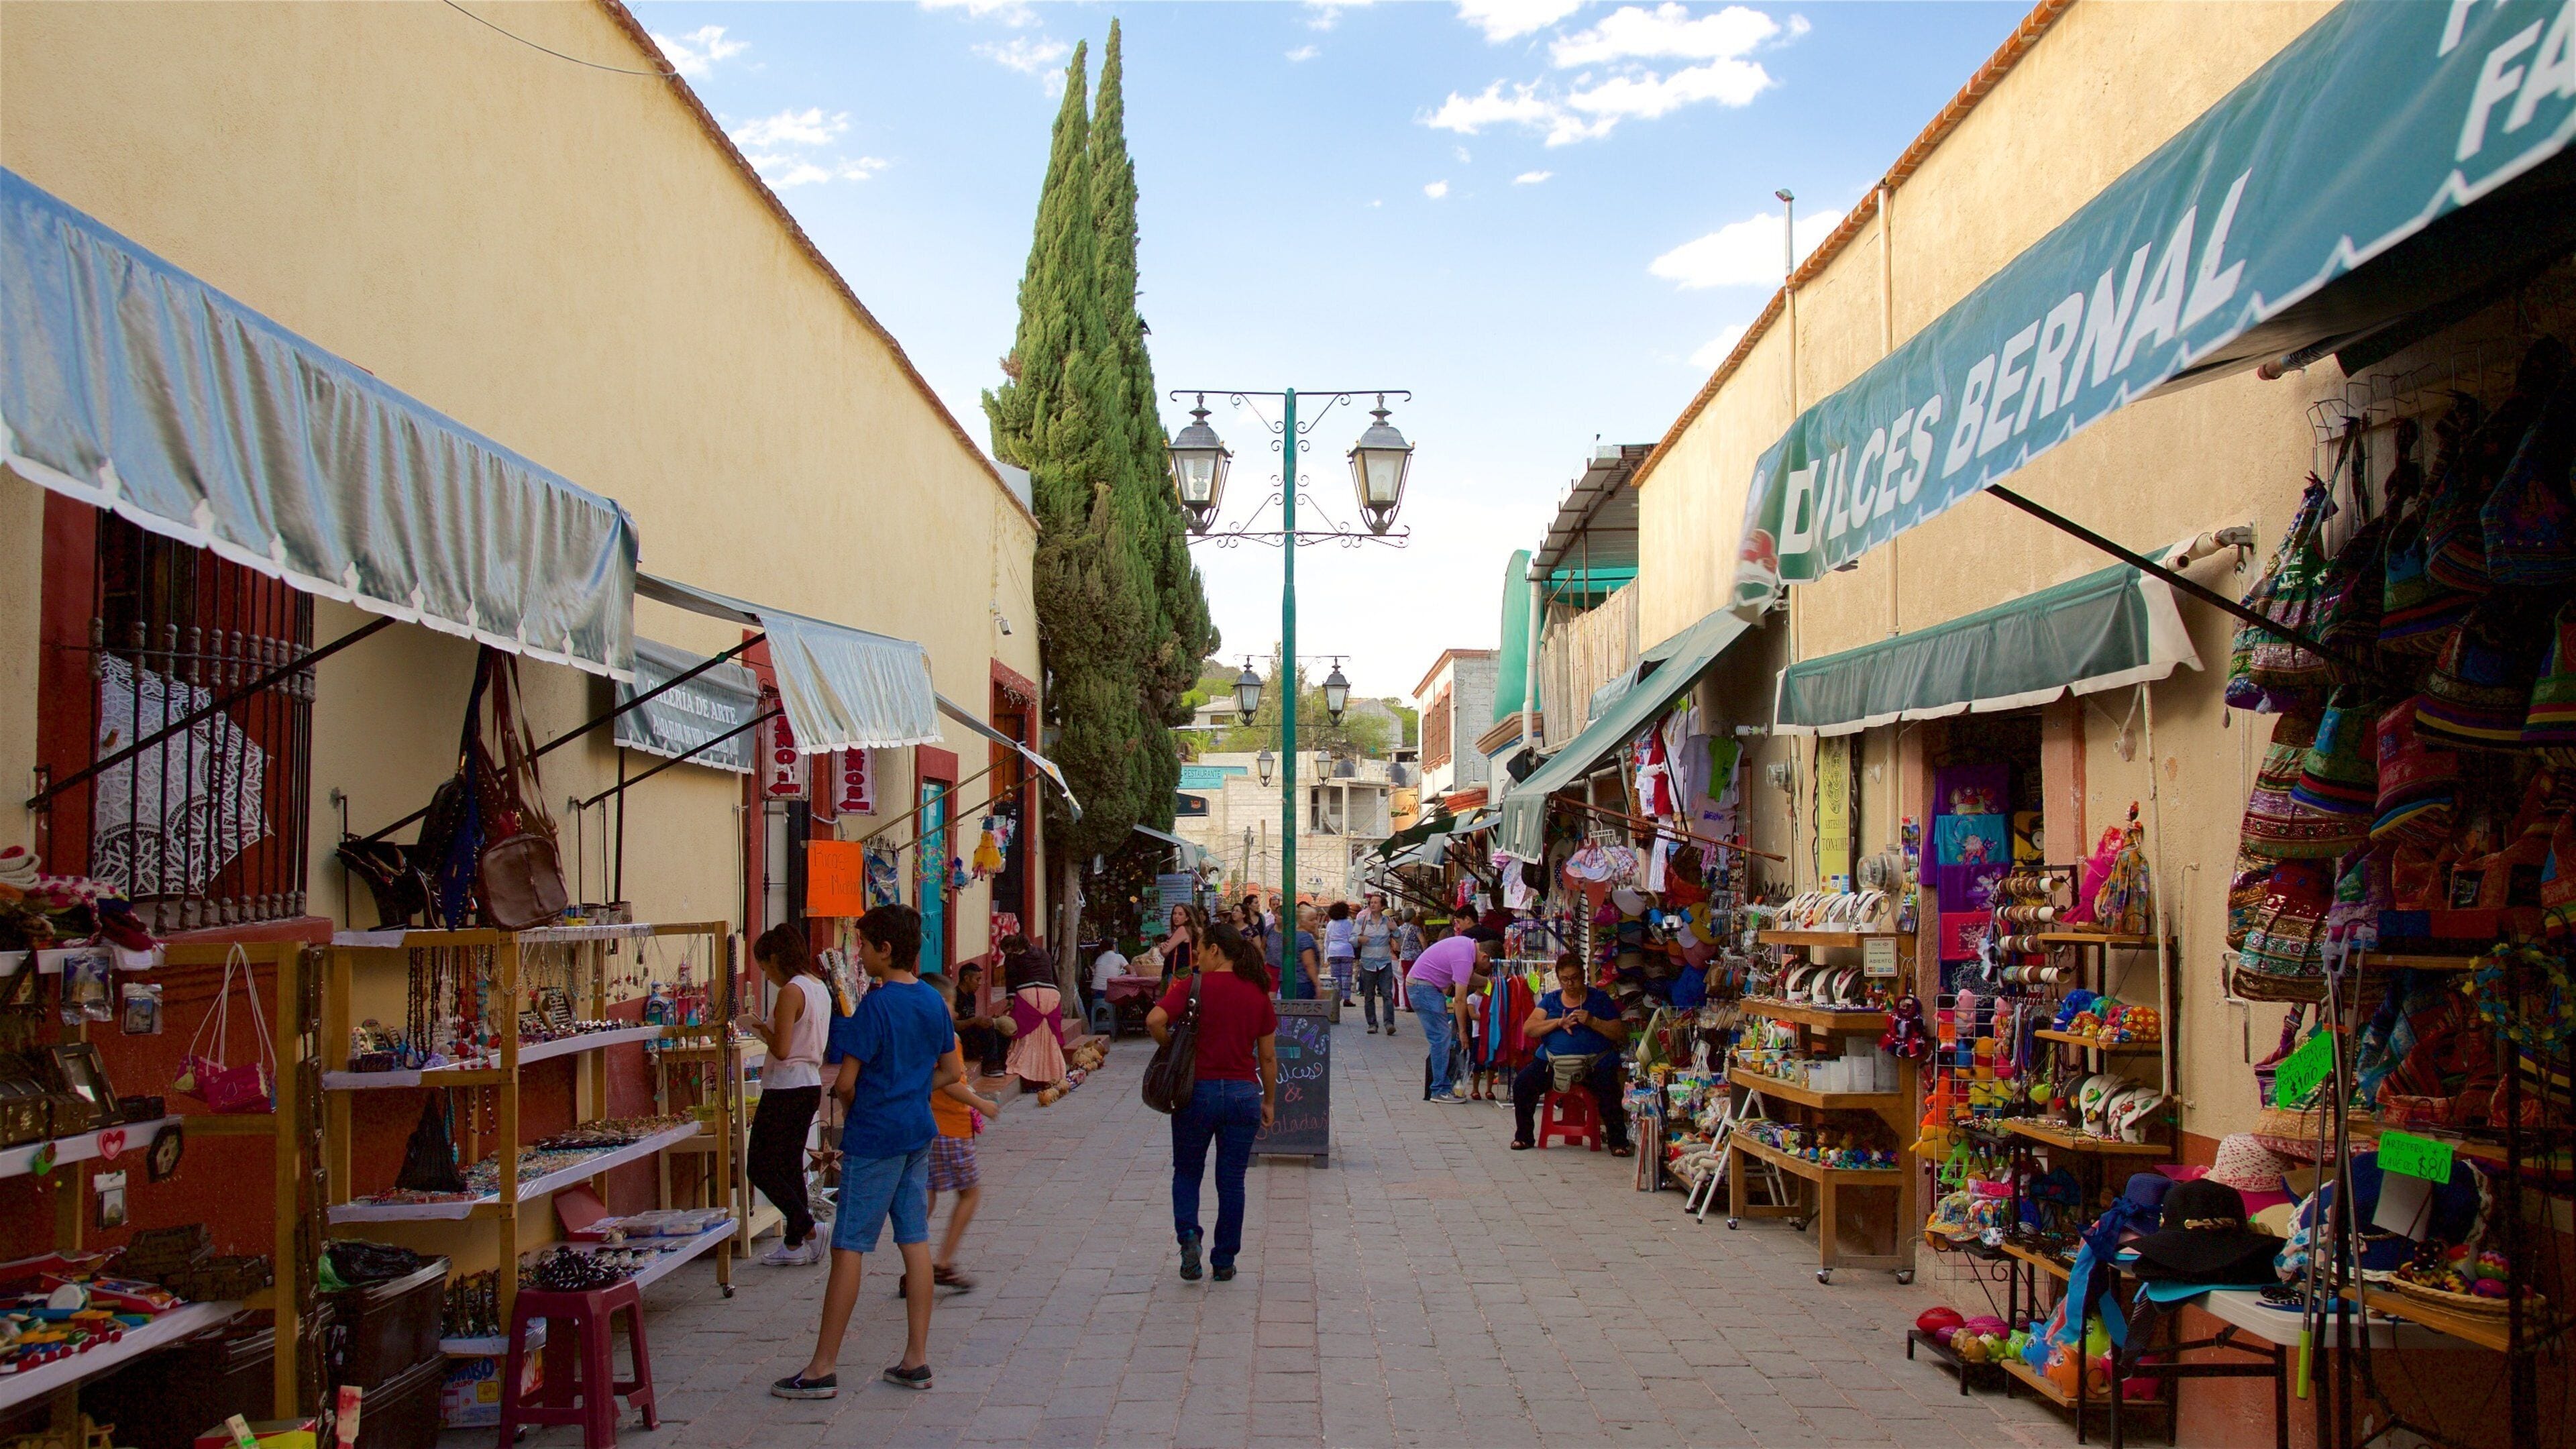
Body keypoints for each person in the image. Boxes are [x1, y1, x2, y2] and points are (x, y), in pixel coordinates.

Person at [775, 904, 955, 1399]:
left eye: (864, 945)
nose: (859, 954)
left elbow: (848, 1082)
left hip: (874, 1136)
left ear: (885, 949)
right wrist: (914, 1090)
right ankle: (917, 1358)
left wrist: (862, 1104)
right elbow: (952, 1070)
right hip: (917, 1131)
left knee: (849, 1245)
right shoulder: (932, 1002)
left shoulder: (875, 1006)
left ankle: (822, 1367)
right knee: (914, 1242)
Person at [1146, 924, 1278, 1283]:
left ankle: (1189, 1236)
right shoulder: (1257, 993)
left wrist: (1170, 1048)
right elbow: (1267, 1057)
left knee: (1187, 1171)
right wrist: (1269, 1101)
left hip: (1195, 1094)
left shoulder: (1193, 986)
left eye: (1200, 950)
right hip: (1242, 1095)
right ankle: (1224, 1260)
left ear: (1216, 950)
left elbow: (1155, 1020)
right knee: (1232, 1181)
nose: (1197, 958)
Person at [741, 923, 832, 1267]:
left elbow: (781, 1048)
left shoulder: (791, 991)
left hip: (786, 1086)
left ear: (776, 959)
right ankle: (794, 1244)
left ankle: (808, 1228)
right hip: (808, 1083)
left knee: (760, 1167)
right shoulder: (817, 987)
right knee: (790, 1164)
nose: (765, 975)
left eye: (765, 967)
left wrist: (759, 1027)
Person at [920, 984, 1006, 1295]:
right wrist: (980, 1103)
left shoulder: (920, 1035)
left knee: (925, 1198)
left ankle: (915, 1265)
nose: (956, 1012)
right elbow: (947, 1081)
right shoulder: (946, 1038)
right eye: (952, 1004)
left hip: (929, 1123)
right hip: (950, 1126)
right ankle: (942, 1263)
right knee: (969, 1194)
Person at [1512, 953, 1632, 1156]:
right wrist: (1558, 1023)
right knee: (1523, 1085)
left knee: (1609, 1091)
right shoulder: (1551, 1000)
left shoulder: (1599, 999)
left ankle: (1618, 1141)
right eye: (1565, 979)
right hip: (1553, 1063)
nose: (1570, 984)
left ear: (1583, 975)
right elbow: (1529, 1028)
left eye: (1575, 978)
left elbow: (1620, 1033)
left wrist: (1593, 1022)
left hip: (1594, 1064)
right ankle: (1524, 1136)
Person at [1407, 926, 1499, 1104]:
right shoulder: (1465, 956)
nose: (1487, 970)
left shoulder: (1466, 947)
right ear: (1485, 957)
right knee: (1441, 1038)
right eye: (1489, 967)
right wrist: (1463, 1031)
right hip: (1423, 989)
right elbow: (1460, 999)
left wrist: (1491, 984)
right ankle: (1440, 1089)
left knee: (1440, 1038)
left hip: (1423, 987)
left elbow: (1468, 977)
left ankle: (1440, 1086)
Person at [1003, 940, 1069, 1090]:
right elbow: (1054, 977)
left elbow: (1011, 978)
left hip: (1029, 995)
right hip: (1052, 995)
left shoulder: (1012, 957)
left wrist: (1011, 999)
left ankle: (1030, 1079)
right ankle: (1052, 1076)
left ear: (1010, 948)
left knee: (1029, 1039)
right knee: (1048, 1039)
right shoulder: (1045, 954)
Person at [949, 959, 1008, 1078]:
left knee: (1003, 1030)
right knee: (987, 1029)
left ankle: (999, 1063)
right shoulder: (954, 996)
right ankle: (989, 1065)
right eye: (977, 979)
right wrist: (975, 1021)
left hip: (971, 1037)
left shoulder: (971, 996)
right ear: (966, 979)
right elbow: (952, 1025)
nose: (980, 983)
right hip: (958, 1040)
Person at [1354, 896, 1399, 1034]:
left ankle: (1389, 1023)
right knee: (1369, 995)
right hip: (1368, 963)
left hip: (1384, 963)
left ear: (1382, 906)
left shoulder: (1389, 921)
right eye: (1371, 903)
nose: (1373, 905)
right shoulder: (1362, 922)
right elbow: (1351, 939)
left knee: (1387, 994)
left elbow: (1398, 936)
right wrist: (1359, 939)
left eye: (1375, 903)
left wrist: (1396, 930)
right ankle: (1372, 1024)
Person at [1265, 906, 1320, 997]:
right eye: (1312, 920)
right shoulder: (1305, 938)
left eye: (1315, 919)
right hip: (1303, 984)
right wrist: (1317, 984)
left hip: (1287, 982)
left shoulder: (1291, 936)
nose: (1315, 923)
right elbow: (1309, 964)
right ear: (1302, 922)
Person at [1323, 900, 1358, 1006]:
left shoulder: (1330, 924)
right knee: (1346, 976)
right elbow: (1351, 938)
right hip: (1346, 951)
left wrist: (1328, 954)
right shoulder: (1348, 923)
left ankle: (1336, 998)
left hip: (1333, 951)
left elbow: (1327, 940)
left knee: (1336, 977)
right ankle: (1347, 999)